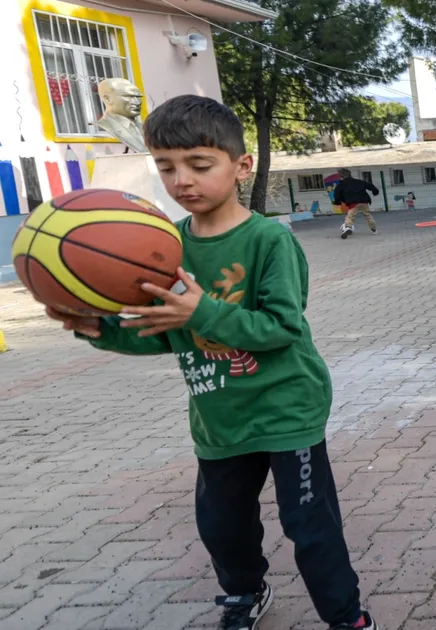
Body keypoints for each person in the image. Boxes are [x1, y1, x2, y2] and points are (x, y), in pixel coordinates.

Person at [45, 96, 377, 630]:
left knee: (309, 525)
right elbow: (162, 335)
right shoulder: (161, 246)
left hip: (287, 407)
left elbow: (281, 327)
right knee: (222, 526)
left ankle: (346, 617)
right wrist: (99, 330)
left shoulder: (269, 239)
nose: (182, 180)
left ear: (240, 166)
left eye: (199, 165)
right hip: (219, 415)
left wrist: (203, 308)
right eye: (166, 167)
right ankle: (245, 593)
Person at [332, 168, 379, 239]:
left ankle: (348, 227)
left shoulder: (341, 185)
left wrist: (337, 202)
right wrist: (375, 192)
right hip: (364, 201)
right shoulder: (359, 181)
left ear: (341, 177)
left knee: (350, 216)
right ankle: (374, 229)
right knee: (368, 215)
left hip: (353, 203)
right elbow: (370, 186)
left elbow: (336, 194)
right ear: (350, 174)